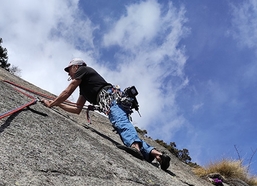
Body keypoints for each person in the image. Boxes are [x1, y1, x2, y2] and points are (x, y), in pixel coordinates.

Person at [42, 58, 170, 170]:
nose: (69, 73)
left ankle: (135, 147)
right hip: (112, 102)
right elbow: (77, 109)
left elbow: (68, 91)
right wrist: (58, 104)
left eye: (69, 69)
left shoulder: (83, 70)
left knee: (121, 123)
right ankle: (157, 155)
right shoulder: (84, 87)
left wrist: (52, 103)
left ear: (76, 66)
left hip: (111, 100)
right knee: (122, 125)